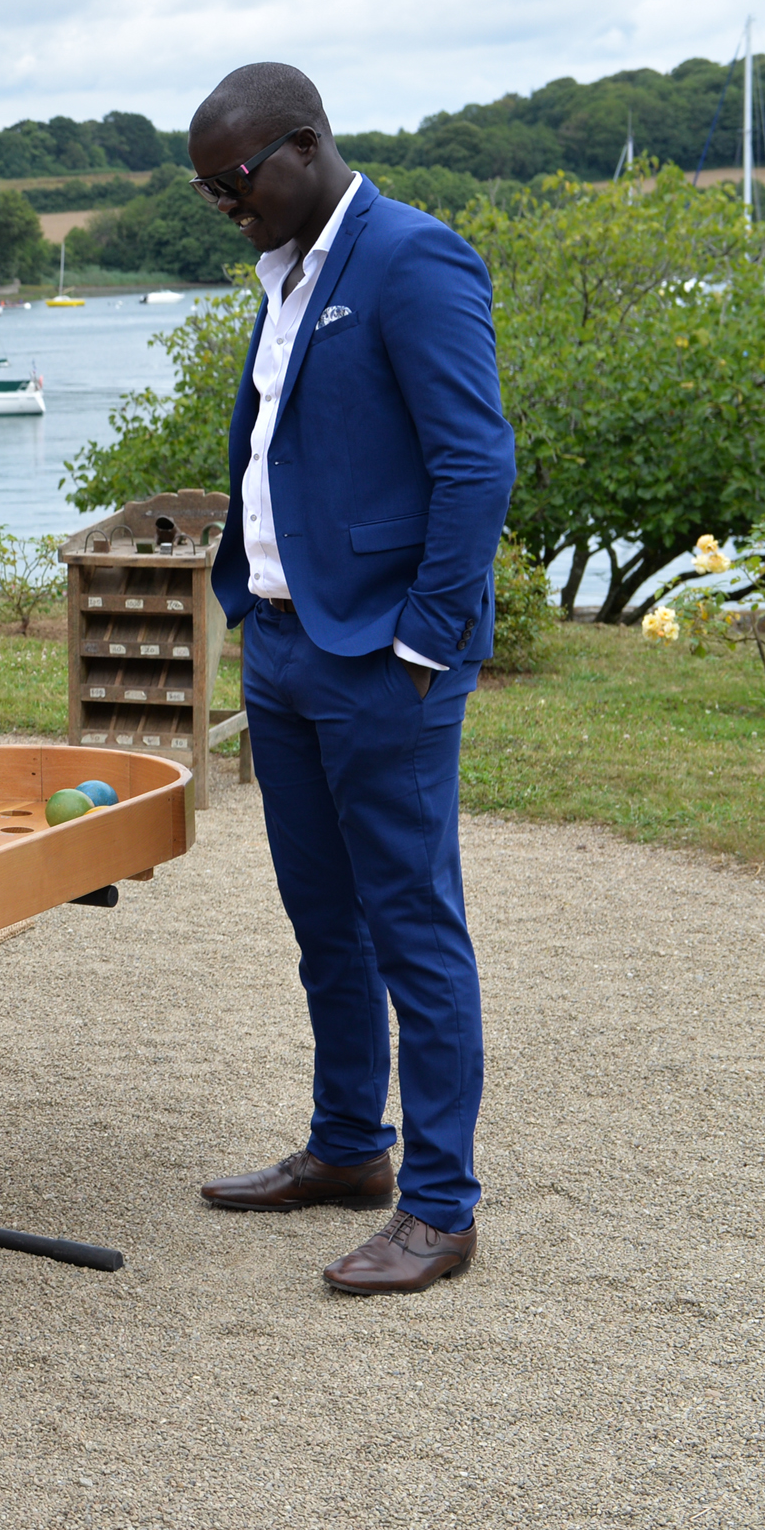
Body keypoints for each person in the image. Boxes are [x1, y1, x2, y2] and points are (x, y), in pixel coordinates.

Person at [183, 64, 515, 1295]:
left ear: (305, 144)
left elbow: (476, 462)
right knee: (324, 920)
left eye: (235, 180)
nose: (226, 205)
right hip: (283, 645)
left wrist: (425, 640)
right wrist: (251, 609)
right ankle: (347, 1147)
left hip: (382, 658)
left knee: (412, 928)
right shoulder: (287, 269)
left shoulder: (412, 258)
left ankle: (440, 1208)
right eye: (209, 190)